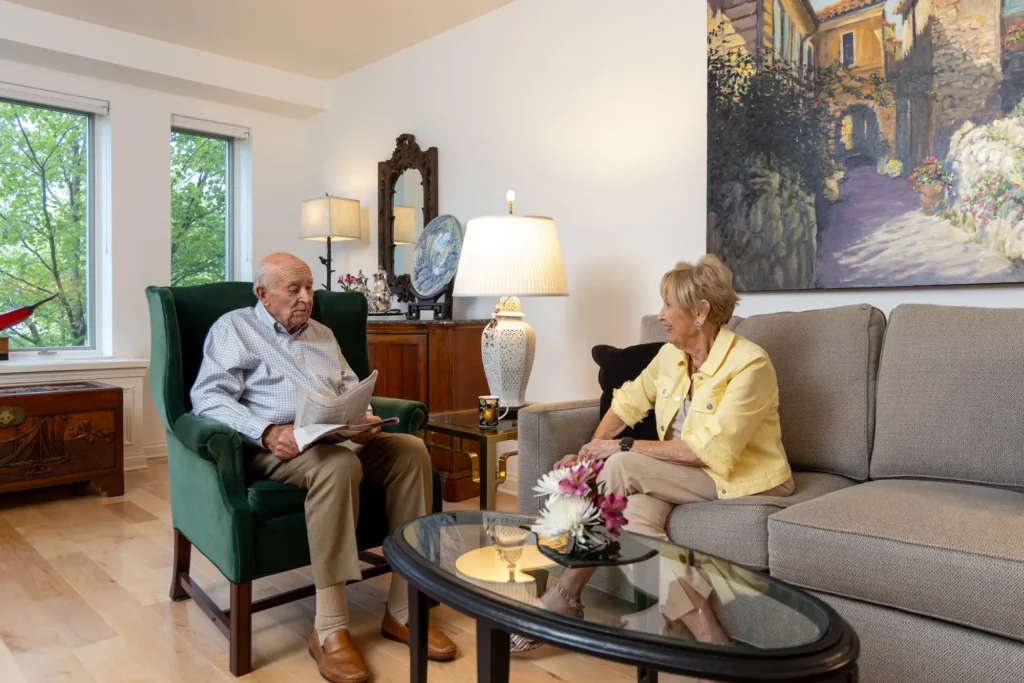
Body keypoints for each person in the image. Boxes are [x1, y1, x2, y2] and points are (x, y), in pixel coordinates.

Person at [191, 252, 457, 683]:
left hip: (334, 436)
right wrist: (265, 431)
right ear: (263, 294)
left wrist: (365, 419)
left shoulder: (323, 334)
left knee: (411, 452)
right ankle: (329, 628)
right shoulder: (234, 329)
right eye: (293, 289)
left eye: (309, 288)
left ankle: (404, 610)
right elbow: (207, 397)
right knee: (337, 467)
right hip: (275, 446)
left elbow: (351, 388)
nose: (305, 298)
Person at [512, 255, 793, 653]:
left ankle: (565, 593)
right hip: (681, 470)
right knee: (633, 514)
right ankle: (710, 638)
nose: (660, 314)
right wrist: (587, 454)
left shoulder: (750, 364)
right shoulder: (670, 356)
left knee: (621, 465)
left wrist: (616, 449)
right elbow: (626, 406)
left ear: (701, 312)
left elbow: (709, 451)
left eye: (668, 304)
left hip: (738, 475)